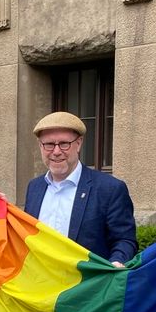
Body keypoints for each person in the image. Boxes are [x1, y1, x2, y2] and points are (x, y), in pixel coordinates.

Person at [23, 111, 137, 267]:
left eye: (64, 144)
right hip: (41, 285)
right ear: (40, 146)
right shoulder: (34, 188)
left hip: (87, 286)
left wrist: (116, 262)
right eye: (49, 144)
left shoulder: (109, 189)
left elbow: (124, 240)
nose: (56, 152)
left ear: (79, 143)